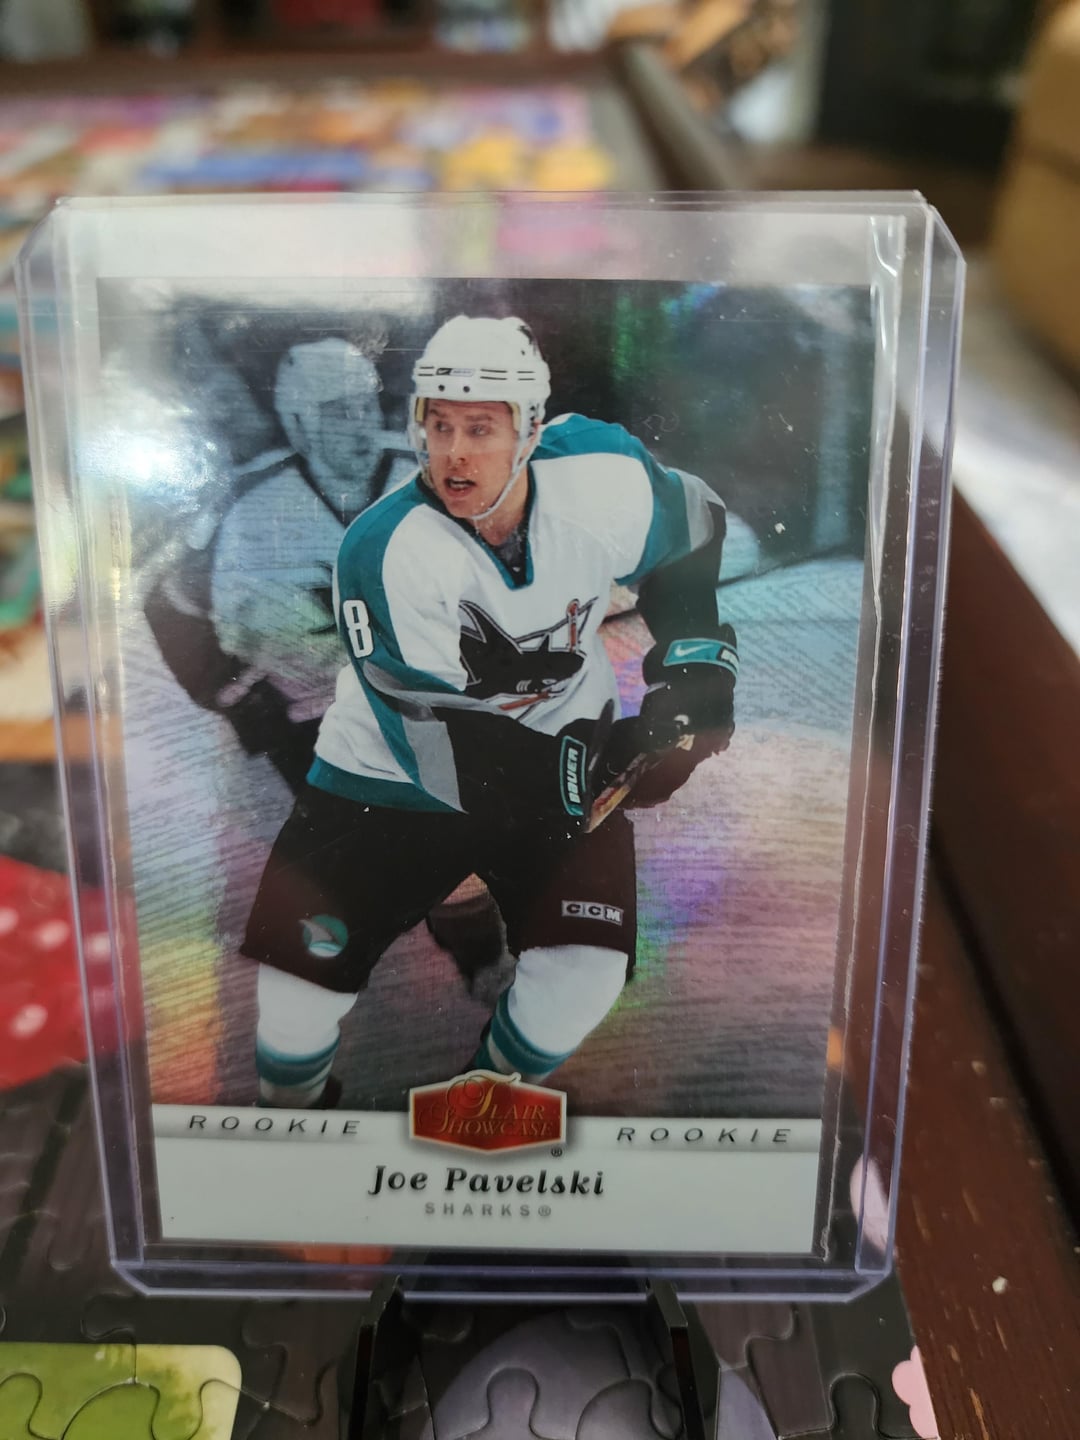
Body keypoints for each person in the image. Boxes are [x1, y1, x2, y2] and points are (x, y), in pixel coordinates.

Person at [242, 315, 738, 1108]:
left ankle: (481, 1110)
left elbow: (694, 523)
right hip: (387, 776)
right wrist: (591, 765)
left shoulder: (601, 474)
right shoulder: (383, 548)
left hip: (564, 742)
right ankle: (289, 1118)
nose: (454, 453)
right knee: (298, 994)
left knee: (583, 975)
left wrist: (696, 673)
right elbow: (434, 739)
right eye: (438, 426)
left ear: (532, 430)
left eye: (480, 428)